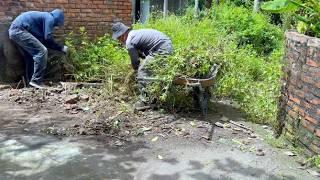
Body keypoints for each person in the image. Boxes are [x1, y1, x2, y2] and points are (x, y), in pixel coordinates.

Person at [112, 22, 173, 108]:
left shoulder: (129, 42)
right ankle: (156, 97)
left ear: (122, 35)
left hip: (161, 49)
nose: (119, 40)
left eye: (118, 38)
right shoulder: (134, 34)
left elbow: (135, 61)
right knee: (151, 71)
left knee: (142, 70)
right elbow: (142, 54)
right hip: (165, 45)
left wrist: (136, 71)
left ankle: (144, 100)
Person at [8, 9, 68, 89]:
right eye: (56, 24)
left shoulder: (42, 19)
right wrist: (61, 48)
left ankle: (30, 83)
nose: (54, 26)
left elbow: (43, 39)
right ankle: (36, 81)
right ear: (57, 18)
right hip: (19, 30)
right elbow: (48, 38)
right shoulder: (49, 18)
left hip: (15, 31)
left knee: (31, 56)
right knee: (42, 51)